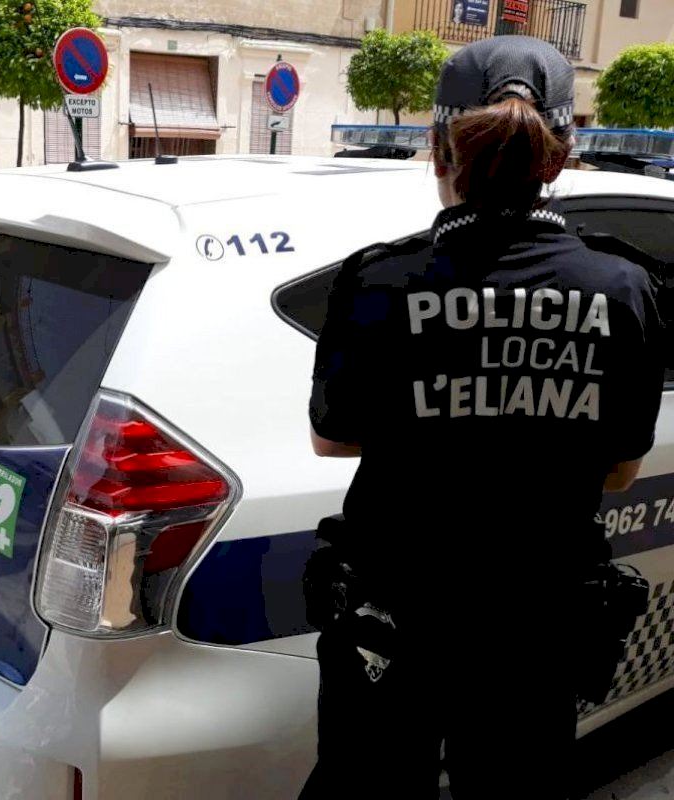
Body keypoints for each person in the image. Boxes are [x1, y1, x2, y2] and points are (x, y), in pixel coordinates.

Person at [300, 35, 665, 799]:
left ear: (439, 150)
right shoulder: (622, 287)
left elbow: (331, 439)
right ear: (561, 156)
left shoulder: (379, 279)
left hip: (392, 626)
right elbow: (621, 468)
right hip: (533, 632)